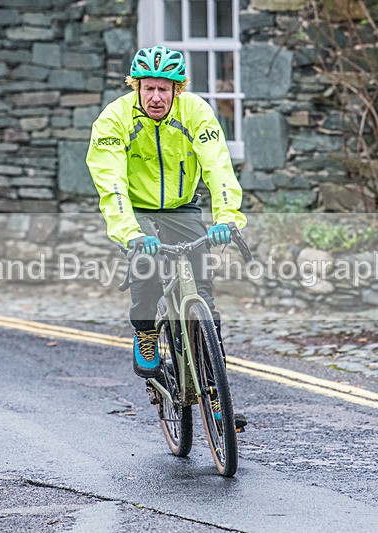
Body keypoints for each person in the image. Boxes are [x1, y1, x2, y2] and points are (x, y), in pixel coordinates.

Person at [85, 45, 247, 389]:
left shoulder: (196, 112)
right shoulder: (114, 119)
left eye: (164, 88)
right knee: (147, 266)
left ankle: (214, 388)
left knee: (202, 291)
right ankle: (145, 331)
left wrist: (226, 217)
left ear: (178, 89)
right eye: (149, 88)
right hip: (137, 208)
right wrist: (130, 233)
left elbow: (217, 166)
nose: (156, 97)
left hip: (181, 206)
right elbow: (110, 181)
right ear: (136, 87)